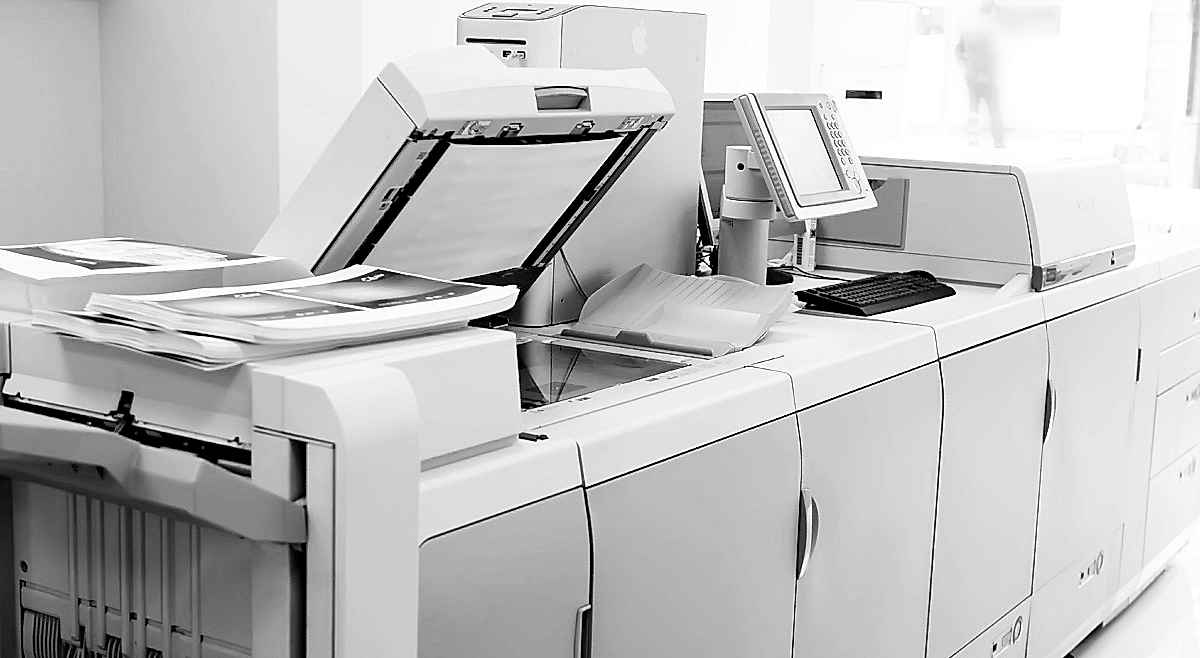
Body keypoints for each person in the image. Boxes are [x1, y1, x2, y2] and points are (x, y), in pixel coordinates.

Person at [956, 0, 1007, 147]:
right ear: (990, 12)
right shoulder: (987, 29)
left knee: (974, 108)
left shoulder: (970, 28)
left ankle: (973, 139)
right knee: (993, 109)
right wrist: (984, 73)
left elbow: (958, 50)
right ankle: (998, 141)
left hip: (972, 76)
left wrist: (966, 64)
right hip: (986, 76)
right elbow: (990, 54)